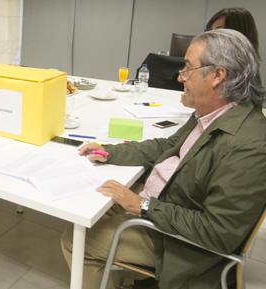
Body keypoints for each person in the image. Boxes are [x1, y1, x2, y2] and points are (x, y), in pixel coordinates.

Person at [61, 29, 266, 289]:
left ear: (217, 76)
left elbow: (218, 232)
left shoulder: (249, 146)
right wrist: (111, 152)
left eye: (188, 68)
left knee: (77, 241)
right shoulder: (214, 112)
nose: (180, 77)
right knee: (87, 203)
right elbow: (168, 146)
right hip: (165, 201)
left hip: (179, 244)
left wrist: (143, 206)